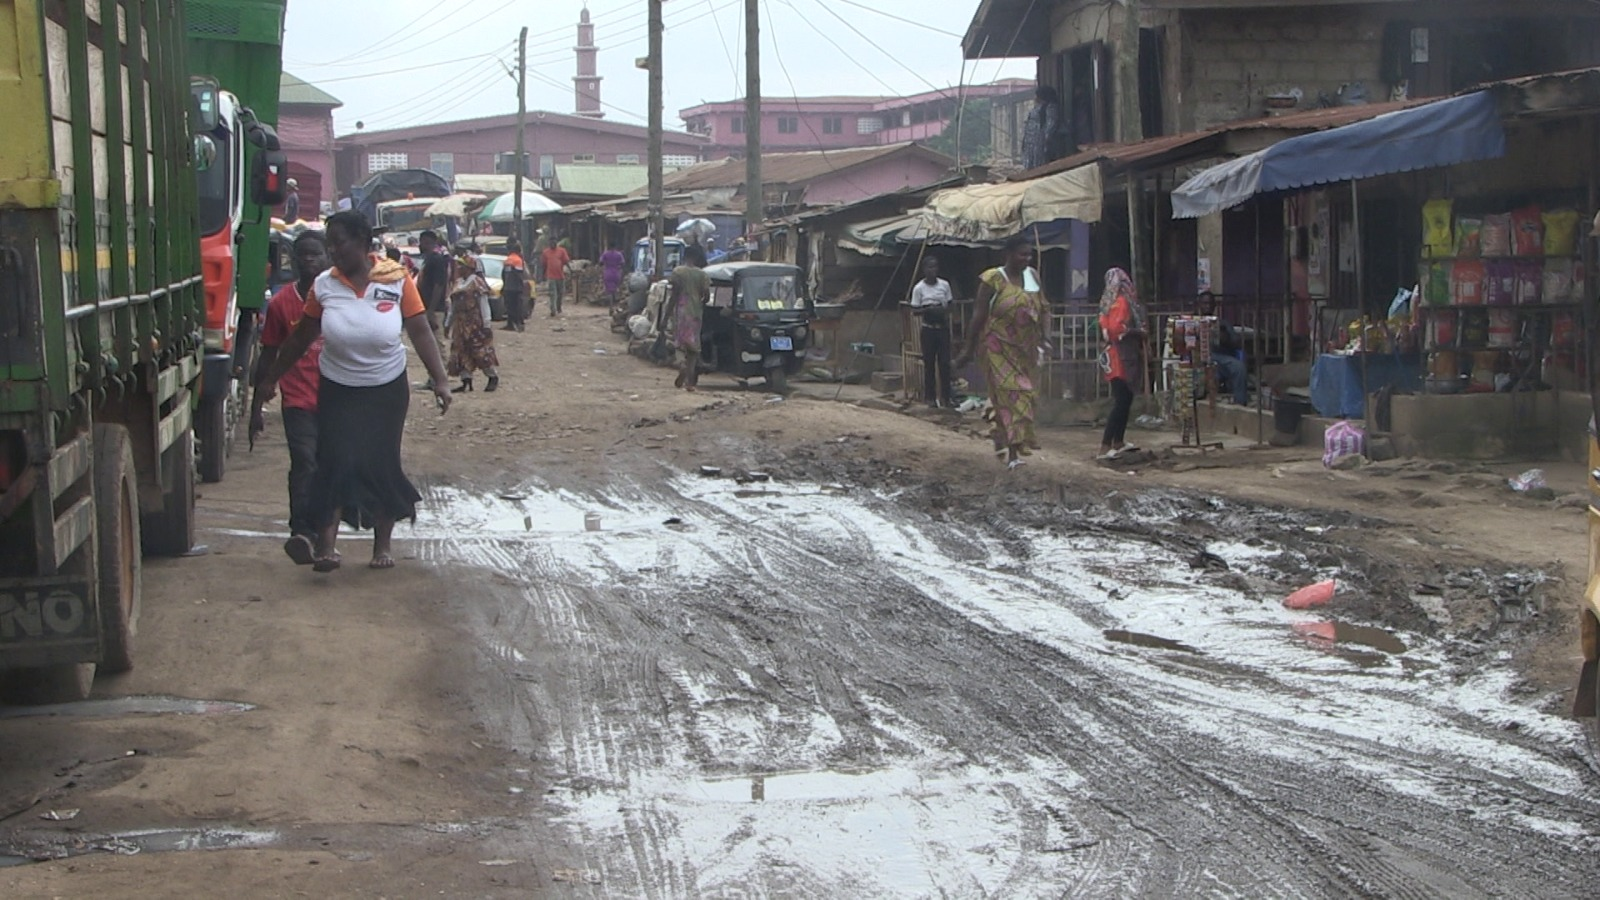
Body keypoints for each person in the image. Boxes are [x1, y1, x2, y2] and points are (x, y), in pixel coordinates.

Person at [257, 210, 452, 572]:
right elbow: (300, 337)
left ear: (362, 242)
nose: (332, 251)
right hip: (338, 388)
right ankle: (327, 546)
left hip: (386, 389)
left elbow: (420, 330)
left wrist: (440, 379)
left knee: (380, 462)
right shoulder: (324, 285)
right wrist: (271, 378)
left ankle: (382, 546)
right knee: (335, 461)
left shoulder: (396, 280)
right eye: (329, 244)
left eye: (339, 243)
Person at [250, 230, 330, 552]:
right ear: (293, 259)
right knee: (304, 462)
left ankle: (326, 533)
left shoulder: (338, 298)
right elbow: (269, 353)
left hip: (337, 396)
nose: (309, 259)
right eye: (303, 254)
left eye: (315, 254)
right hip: (297, 398)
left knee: (329, 464)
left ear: (327, 257)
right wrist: (256, 407)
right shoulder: (282, 303)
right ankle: (302, 531)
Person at [956, 235, 1049, 469]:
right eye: (1022, 254)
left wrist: (1046, 338)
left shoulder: (1033, 276)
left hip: (1025, 350)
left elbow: (1044, 308)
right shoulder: (993, 279)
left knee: (1018, 396)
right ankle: (1014, 455)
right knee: (1014, 394)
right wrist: (967, 349)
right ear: (1007, 255)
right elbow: (978, 315)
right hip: (996, 347)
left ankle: (999, 434)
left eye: (1029, 254)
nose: (1026, 259)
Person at [1098, 267, 1147, 461]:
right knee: (1121, 400)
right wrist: (1138, 332)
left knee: (1125, 399)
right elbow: (1116, 329)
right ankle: (1105, 445)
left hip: (1112, 354)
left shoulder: (1106, 303)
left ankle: (1118, 441)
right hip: (1121, 356)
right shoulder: (1121, 303)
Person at [445, 249, 501, 392]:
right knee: (460, 351)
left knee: (480, 351)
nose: (459, 268)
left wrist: (486, 324)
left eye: (461, 265)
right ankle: (466, 381)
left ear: (469, 268)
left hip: (475, 323)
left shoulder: (477, 283)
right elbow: (453, 307)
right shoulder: (458, 283)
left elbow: (484, 304)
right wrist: (448, 323)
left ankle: (492, 376)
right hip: (460, 323)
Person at [910, 255, 954, 408]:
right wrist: (928, 310)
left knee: (945, 363)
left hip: (942, 329)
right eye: (929, 267)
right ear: (924, 269)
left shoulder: (944, 285)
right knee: (929, 364)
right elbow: (914, 310)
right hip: (928, 329)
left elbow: (950, 305)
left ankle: (946, 398)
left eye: (935, 267)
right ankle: (930, 398)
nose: (932, 270)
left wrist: (941, 310)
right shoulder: (919, 288)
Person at [668, 243, 710, 391]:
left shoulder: (678, 272)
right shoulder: (702, 275)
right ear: (697, 258)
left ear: (684, 257)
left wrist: (665, 316)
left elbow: (673, 295)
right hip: (696, 314)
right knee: (693, 348)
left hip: (681, 312)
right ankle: (690, 383)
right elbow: (706, 297)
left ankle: (681, 365)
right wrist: (699, 302)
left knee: (680, 344)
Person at [1198, 291, 1249, 405]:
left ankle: (1240, 403)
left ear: (1214, 306)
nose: (1207, 306)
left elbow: (1236, 343)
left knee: (1239, 367)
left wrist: (1225, 338)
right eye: (1204, 303)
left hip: (1219, 358)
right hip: (1197, 357)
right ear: (1199, 305)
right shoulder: (1192, 322)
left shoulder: (1223, 324)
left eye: (1210, 304)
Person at [416, 230, 451, 362]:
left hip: (435, 308)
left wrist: (431, 310)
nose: (420, 245)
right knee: (430, 341)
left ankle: (444, 369)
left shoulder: (437, 260)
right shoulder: (428, 259)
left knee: (437, 340)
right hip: (426, 306)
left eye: (423, 242)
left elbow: (439, 285)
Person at [1021, 86, 1062, 171]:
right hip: (1031, 142)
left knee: (1039, 164)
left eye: (1037, 95)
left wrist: (1046, 139)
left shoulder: (1050, 107)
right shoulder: (1037, 107)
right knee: (1030, 164)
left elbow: (1051, 124)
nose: (1035, 97)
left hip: (1040, 141)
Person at [500, 238, 529, 332]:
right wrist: (522, 285)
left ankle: (510, 324)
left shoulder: (507, 260)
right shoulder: (518, 260)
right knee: (518, 307)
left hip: (508, 287)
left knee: (509, 307)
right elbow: (519, 274)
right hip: (516, 288)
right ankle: (519, 324)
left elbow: (503, 275)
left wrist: (504, 286)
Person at [542, 235, 571, 316]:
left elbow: (566, 261)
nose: (552, 243)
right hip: (551, 276)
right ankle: (553, 310)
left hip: (560, 275)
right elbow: (544, 264)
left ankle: (558, 307)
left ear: (556, 242)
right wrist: (543, 274)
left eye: (554, 242)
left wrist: (571, 270)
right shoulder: (545, 252)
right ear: (549, 243)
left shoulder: (562, 251)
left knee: (560, 293)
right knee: (552, 293)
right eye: (551, 242)